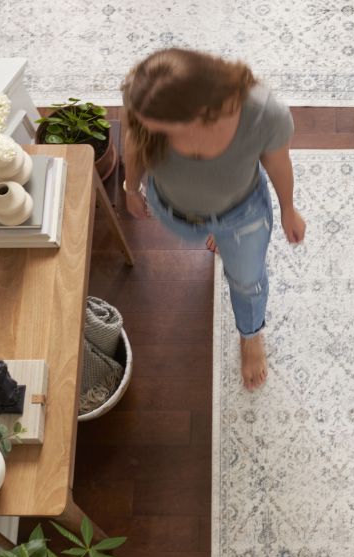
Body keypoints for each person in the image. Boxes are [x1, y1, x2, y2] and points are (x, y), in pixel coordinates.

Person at [121, 48, 305, 390]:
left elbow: (278, 162)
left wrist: (288, 209)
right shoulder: (144, 99)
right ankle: (215, 236)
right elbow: (134, 139)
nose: (152, 131)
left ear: (199, 114)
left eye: (165, 129)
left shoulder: (263, 113)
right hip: (174, 210)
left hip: (242, 215)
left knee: (247, 281)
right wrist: (131, 188)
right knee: (217, 241)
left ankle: (250, 335)